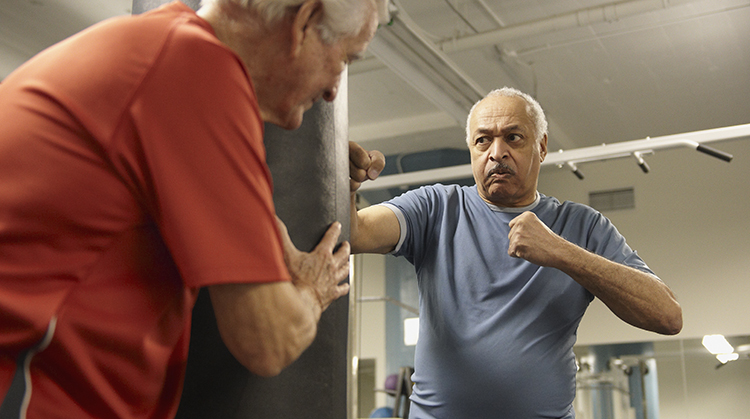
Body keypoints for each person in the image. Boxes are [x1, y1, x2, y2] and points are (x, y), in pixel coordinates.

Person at [0, 0, 381, 418]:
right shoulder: (196, 71)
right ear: (304, 21)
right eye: (343, 58)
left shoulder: (160, 50)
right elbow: (269, 339)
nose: (333, 90)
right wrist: (313, 291)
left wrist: (263, 231)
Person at [349, 87, 683, 418]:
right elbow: (357, 233)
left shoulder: (582, 225)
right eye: (483, 140)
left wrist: (560, 251)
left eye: (513, 137)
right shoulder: (436, 208)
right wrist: (343, 185)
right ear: (472, 150)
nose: (497, 152)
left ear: (541, 147)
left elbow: (667, 316)